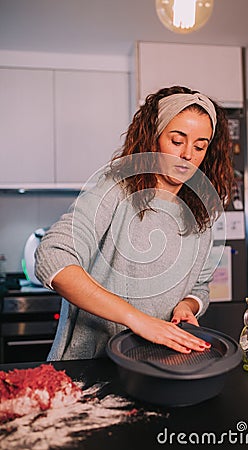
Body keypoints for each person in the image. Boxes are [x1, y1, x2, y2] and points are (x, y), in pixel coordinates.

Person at [35, 85, 233, 361]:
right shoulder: (114, 190)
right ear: (153, 139)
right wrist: (137, 320)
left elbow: (199, 285)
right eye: (177, 141)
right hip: (92, 363)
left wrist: (187, 306)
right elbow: (52, 258)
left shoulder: (200, 213)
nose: (189, 154)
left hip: (157, 363)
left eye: (200, 146)